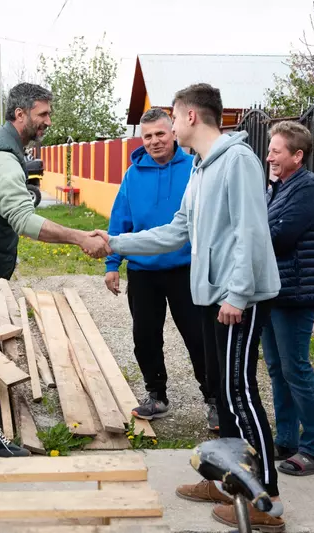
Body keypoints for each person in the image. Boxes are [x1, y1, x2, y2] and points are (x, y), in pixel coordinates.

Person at [92, 83, 285, 531]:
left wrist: (237, 294)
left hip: (235, 299)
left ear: (191, 117)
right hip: (212, 296)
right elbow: (176, 230)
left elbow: (251, 234)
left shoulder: (236, 161)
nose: (169, 128)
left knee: (240, 395)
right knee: (223, 387)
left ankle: (267, 495)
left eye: (173, 120)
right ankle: (228, 481)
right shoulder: (202, 167)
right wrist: (113, 241)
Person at [0, 82, 110, 459]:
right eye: (42, 114)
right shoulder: (3, 155)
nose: (48, 122)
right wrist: (78, 237)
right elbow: (22, 218)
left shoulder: (3, 145)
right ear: (19, 114)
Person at [106, 107, 218, 429]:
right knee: (145, 336)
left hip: (185, 269)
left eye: (160, 134)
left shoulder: (193, 168)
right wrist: (112, 264)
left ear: (172, 132)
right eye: (148, 136)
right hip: (143, 272)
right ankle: (156, 395)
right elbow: (120, 221)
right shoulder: (133, 175)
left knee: (198, 336)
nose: (154, 141)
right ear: (141, 139)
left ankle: (213, 399)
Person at [263, 121, 314, 476]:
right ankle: (287, 439)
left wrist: (250, 234)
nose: (269, 156)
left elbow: (280, 236)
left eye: (276, 151)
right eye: (270, 150)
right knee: (278, 370)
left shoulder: (308, 188)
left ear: (297, 155)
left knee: (296, 369)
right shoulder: (279, 187)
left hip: (298, 291)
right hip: (276, 290)